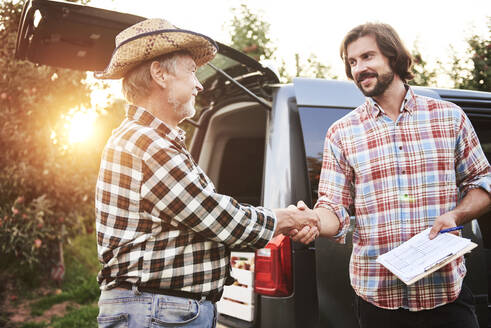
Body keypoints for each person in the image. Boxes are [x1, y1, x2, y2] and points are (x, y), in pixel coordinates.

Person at [94, 18, 319, 328]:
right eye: (191, 72)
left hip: (157, 309)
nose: (198, 84)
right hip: (155, 312)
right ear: (160, 73)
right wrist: (290, 219)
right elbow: (216, 217)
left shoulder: (149, 139)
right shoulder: (147, 142)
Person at [292, 22, 491, 328]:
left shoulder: (449, 117)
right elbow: (333, 205)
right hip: (378, 301)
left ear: (393, 55)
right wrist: (315, 222)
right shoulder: (342, 133)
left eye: (367, 57)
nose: (359, 68)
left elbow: (483, 184)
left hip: (446, 295)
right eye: (352, 62)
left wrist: (456, 215)